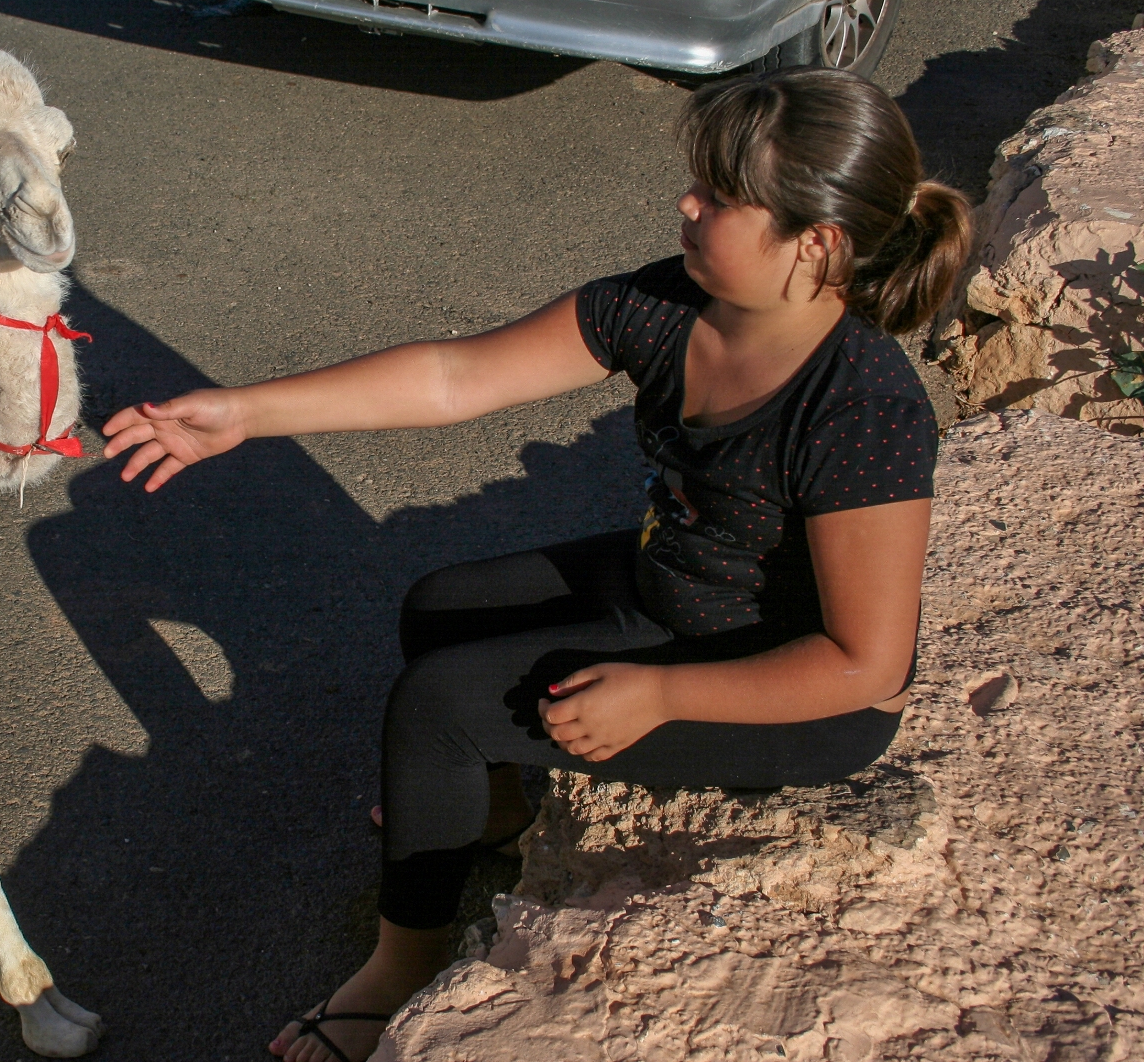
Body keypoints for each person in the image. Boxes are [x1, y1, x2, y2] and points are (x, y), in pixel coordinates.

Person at [99, 67, 973, 1062]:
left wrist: (660, 695)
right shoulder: (670, 304)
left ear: (815, 243)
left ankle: (397, 973)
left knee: (435, 705)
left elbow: (865, 661)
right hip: (677, 585)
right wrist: (243, 413)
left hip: (790, 693)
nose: (685, 205)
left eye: (720, 196)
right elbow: (454, 375)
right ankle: (496, 811)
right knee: (440, 607)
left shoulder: (861, 411)